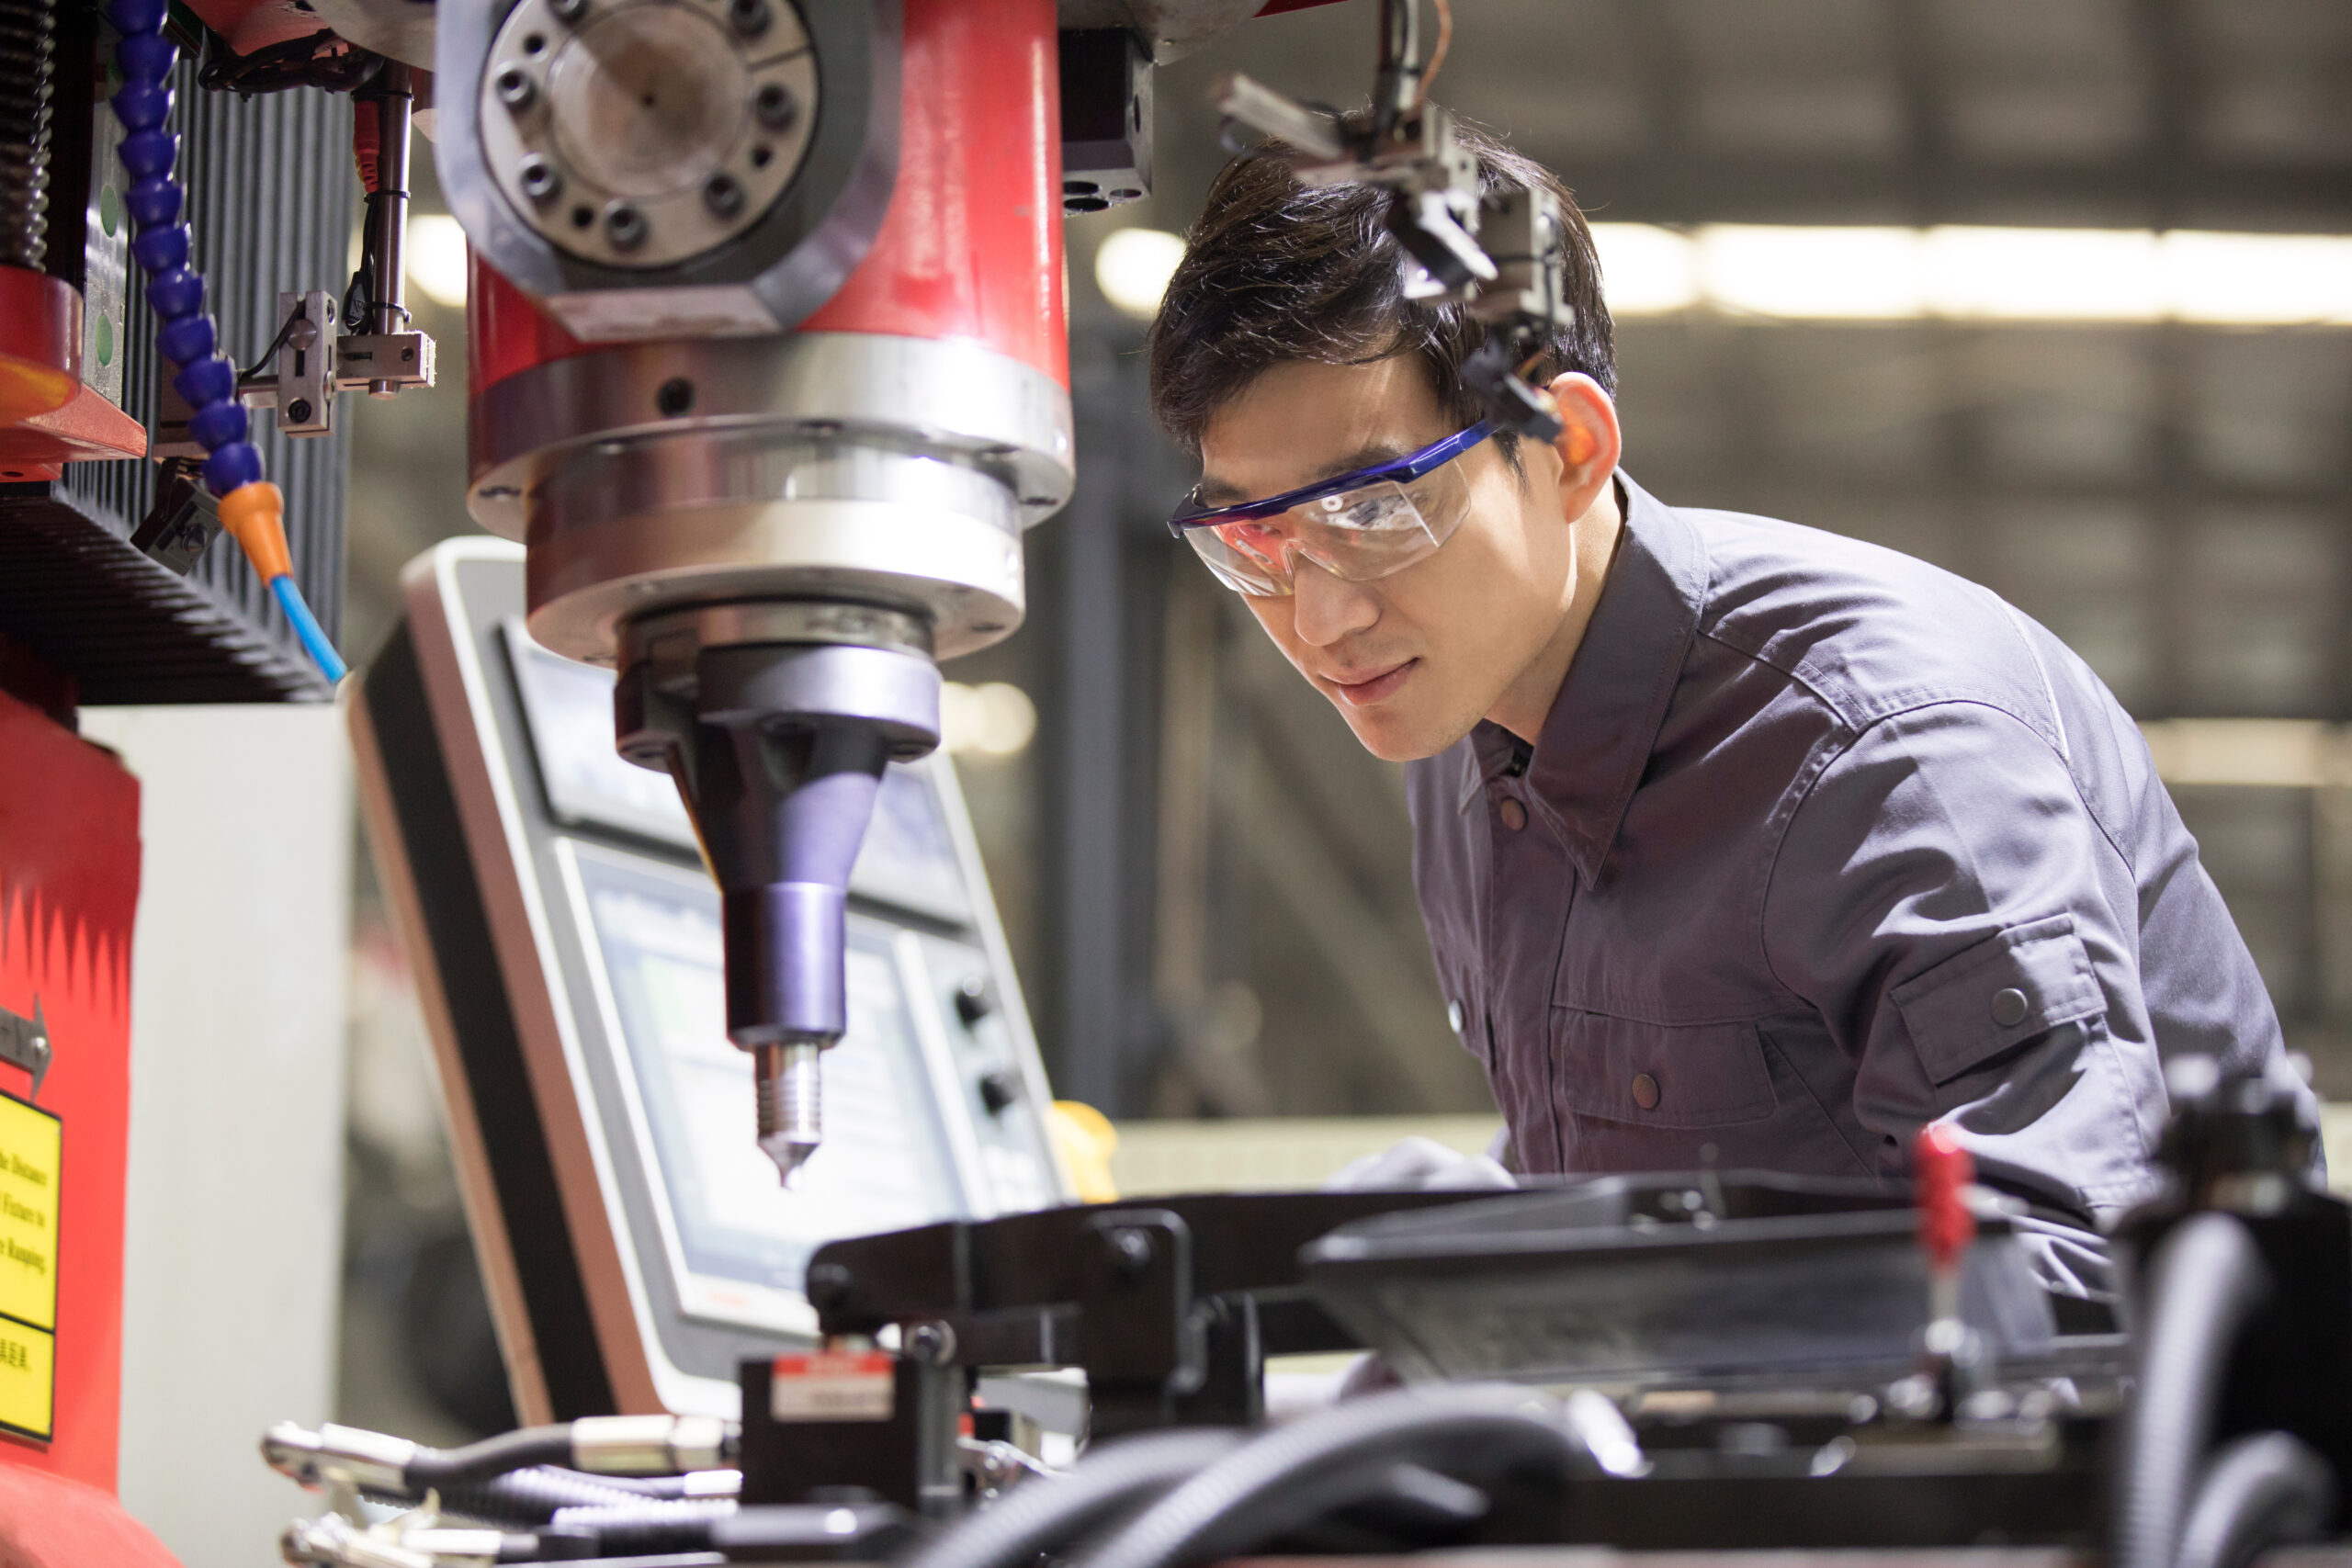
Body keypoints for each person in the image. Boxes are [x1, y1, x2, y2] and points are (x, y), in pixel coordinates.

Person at [1143, 127, 2318, 1301]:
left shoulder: (1884, 754)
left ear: (1569, 448)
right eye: (1255, 542)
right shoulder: (1463, 758)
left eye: (1377, 510)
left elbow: (2062, 1298)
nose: (1319, 616)